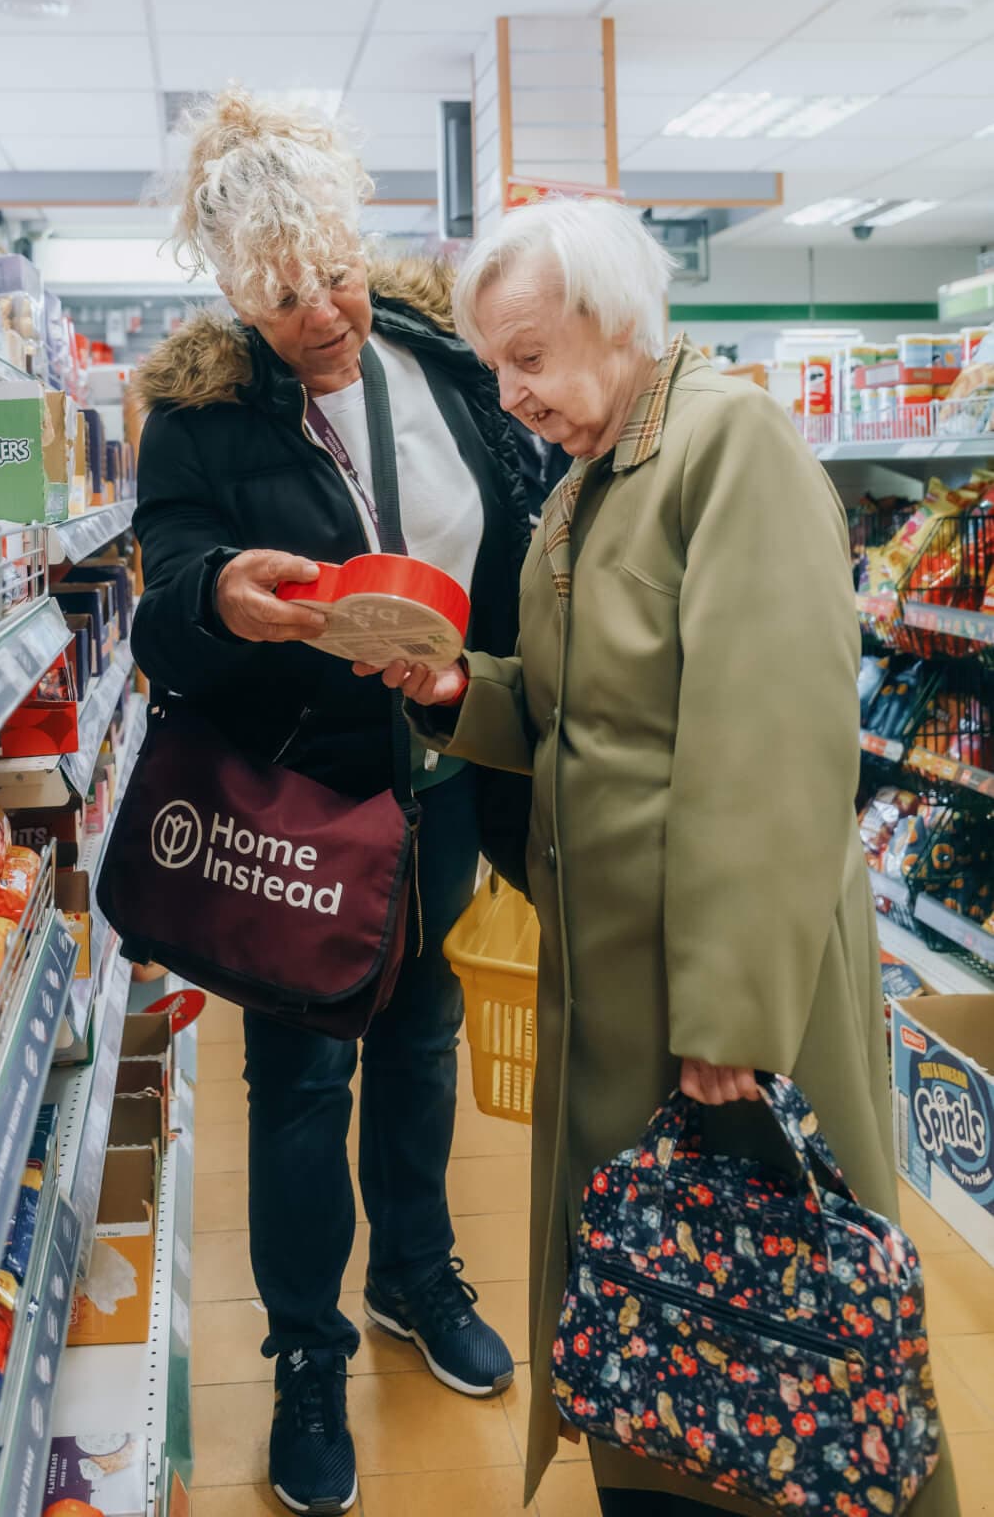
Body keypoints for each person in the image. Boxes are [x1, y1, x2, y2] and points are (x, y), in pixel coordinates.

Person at [362, 197, 959, 1517]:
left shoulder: (725, 446)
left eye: (527, 356)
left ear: (618, 315)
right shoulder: (592, 479)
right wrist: (456, 686)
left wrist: (728, 1022)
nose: (511, 395)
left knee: (781, 1350)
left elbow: (772, 748)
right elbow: (593, 715)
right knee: (668, 1335)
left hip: (724, 996)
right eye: (495, 366)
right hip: (622, 984)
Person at [128, 89, 532, 1517]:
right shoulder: (200, 416)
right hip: (302, 803)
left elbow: (521, 512)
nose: (323, 311)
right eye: (285, 293)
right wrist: (217, 600)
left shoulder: (439, 360)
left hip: (445, 778)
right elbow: (160, 592)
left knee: (422, 1047)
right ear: (239, 292)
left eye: (337, 274)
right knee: (299, 1086)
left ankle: (416, 1278)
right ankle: (306, 1353)